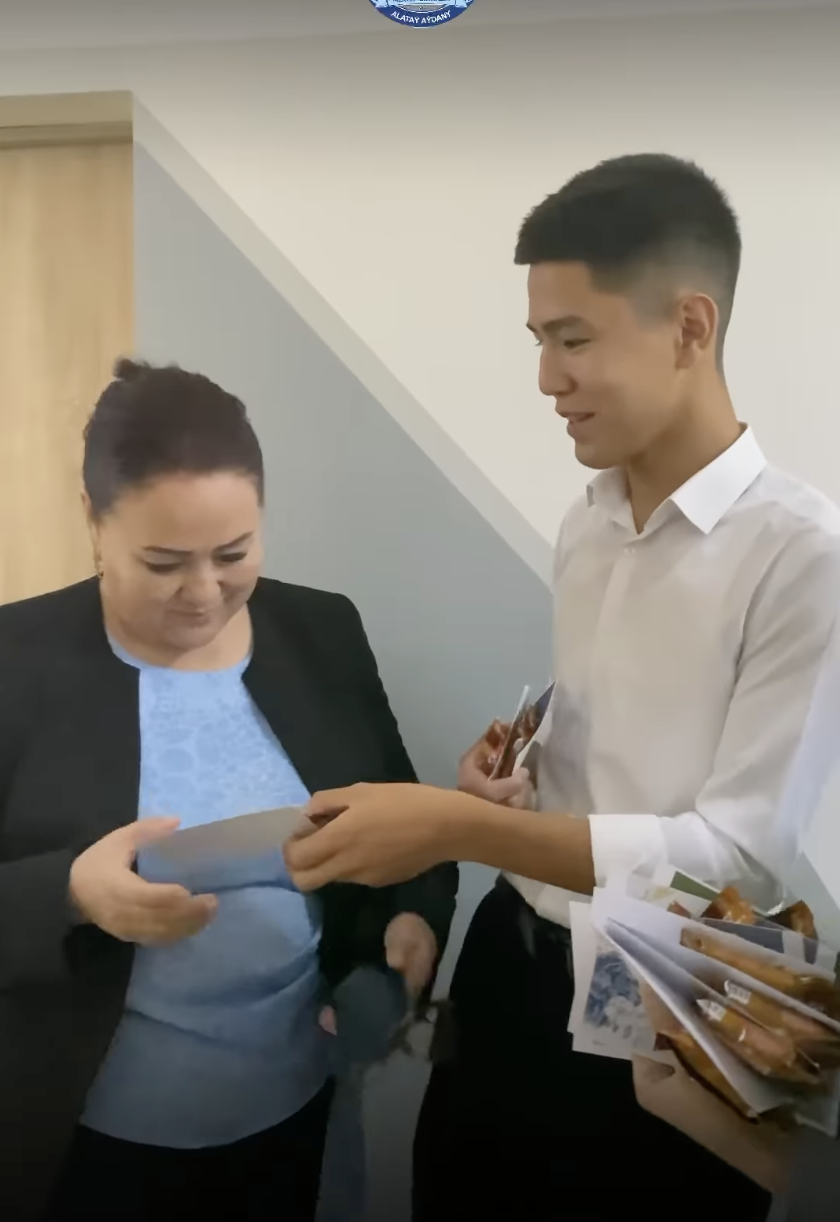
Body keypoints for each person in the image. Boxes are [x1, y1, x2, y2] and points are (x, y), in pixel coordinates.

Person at [285, 154, 840, 1220]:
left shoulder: (802, 554)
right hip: (511, 960)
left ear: (689, 327)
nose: (547, 379)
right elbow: (615, 757)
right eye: (539, 340)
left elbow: (736, 854)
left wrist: (457, 829)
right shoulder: (586, 523)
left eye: (574, 340)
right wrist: (513, 783)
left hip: (670, 1002)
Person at [0, 358, 458, 1222]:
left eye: (234, 553)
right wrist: (70, 892)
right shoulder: (14, 662)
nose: (205, 592)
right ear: (93, 520)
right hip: (83, 1138)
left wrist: (411, 926)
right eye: (164, 562)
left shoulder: (321, 631)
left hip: (296, 1108)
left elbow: (406, 841)